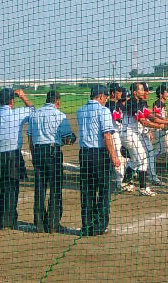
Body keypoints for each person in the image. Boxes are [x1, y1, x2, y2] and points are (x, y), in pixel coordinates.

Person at [0, 88, 34, 229]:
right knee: (11, 189)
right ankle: (8, 222)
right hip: (12, 158)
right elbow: (33, 111)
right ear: (12, 101)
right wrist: (23, 96)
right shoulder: (18, 113)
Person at [28, 91, 76, 233]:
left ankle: (39, 224)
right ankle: (53, 224)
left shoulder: (35, 114)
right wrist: (71, 139)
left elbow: (30, 139)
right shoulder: (59, 115)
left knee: (39, 189)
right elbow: (67, 137)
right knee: (55, 189)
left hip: (37, 152)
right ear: (57, 101)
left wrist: (33, 155)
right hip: (53, 153)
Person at [76, 85, 120, 236]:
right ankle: (100, 225)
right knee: (103, 190)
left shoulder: (81, 110)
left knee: (87, 191)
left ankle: (87, 225)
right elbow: (107, 135)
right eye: (106, 97)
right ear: (101, 96)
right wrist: (114, 156)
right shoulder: (104, 111)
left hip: (84, 154)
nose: (106, 100)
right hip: (99, 154)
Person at [121, 83, 166, 196]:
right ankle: (143, 188)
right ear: (135, 92)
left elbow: (150, 115)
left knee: (135, 161)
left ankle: (125, 183)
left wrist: (166, 121)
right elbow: (144, 122)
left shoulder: (140, 102)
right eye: (141, 90)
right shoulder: (132, 102)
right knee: (143, 160)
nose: (144, 92)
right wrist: (159, 126)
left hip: (133, 134)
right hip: (130, 134)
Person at [105, 84, 129, 191]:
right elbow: (116, 118)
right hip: (113, 134)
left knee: (123, 158)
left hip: (119, 133)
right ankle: (120, 182)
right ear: (113, 93)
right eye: (119, 92)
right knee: (118, 158)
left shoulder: (117, 104)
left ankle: (122, 180)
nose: (121, 94)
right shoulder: (110, 104)